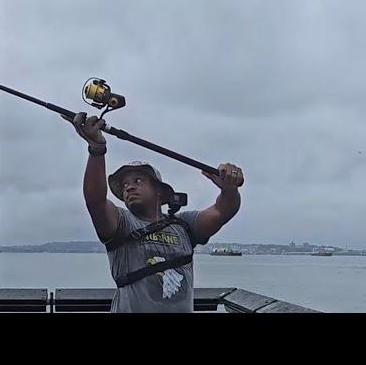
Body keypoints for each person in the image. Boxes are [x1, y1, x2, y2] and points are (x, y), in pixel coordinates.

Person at [63, 112, 244, 313]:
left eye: (138, 181)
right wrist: (97, 149)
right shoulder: (122, 222)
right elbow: (95, 202)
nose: (129, 187)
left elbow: (223, 210)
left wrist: (230, 189)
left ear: (159, 191)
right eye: (124, 185)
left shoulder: (184, 225)